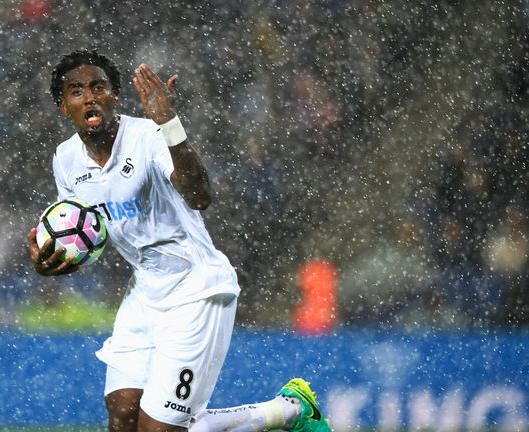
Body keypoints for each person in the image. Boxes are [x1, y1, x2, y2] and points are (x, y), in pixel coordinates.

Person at [27, 49, 332, 432]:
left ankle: (288, 410)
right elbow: (79, 228)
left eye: (99, 87)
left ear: (115, 97)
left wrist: (170, 123)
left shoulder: (150, 138)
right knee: (122, 415)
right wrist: (50, 258)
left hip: (196, 289)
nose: (89, 97)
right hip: (144, 294)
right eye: (76, 91)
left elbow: (200, 195)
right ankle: (285, 410)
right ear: (63, 106)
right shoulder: (65, 159)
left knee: (161, 430)